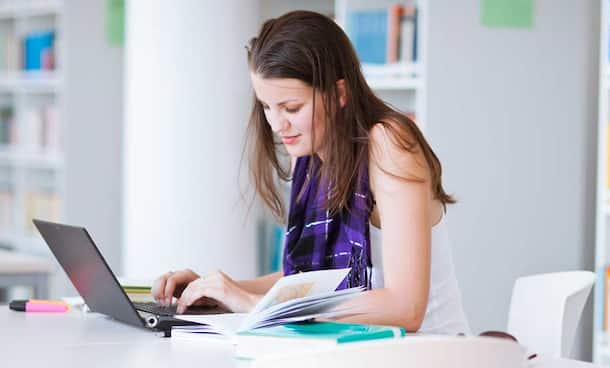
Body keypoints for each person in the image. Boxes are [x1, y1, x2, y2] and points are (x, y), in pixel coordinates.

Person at [151, 10, 470, 336]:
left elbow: (405, 308)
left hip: (431, 360)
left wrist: (256, 305)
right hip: (363, 356)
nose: (277, 124)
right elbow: (307, 280)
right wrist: (217, 292)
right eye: (266, 106)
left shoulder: (390, 145)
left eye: (291, 108)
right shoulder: (312, 156)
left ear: (340, 94)